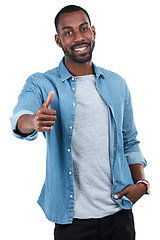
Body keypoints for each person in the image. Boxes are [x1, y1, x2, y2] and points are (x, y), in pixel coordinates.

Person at [10, 5, 149, 240]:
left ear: (93, 31)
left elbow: (130, 142)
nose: (78, 37)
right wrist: (33, 121)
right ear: (58, 40)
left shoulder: (117, 83)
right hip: (72, 222)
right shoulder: (43, 83)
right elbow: (19, 118)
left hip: (119, 215)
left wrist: (141, 183)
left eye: (83, 29)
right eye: (68, 32)